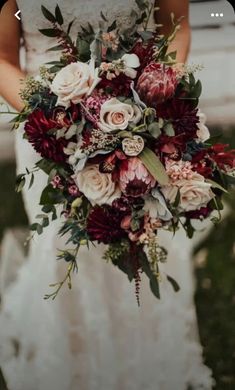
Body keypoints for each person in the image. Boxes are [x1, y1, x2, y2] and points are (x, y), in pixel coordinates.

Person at [0, 1, 213, 389]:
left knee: (142, 232)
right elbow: (2, 56)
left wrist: (156, 99)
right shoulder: (49, 123)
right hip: (48, 129)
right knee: (63, 245)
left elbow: (174, 29)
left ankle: (147, 348)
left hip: (144, 119)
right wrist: (55, 120)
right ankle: (67, 354)